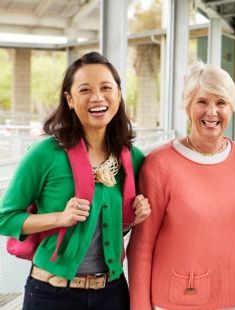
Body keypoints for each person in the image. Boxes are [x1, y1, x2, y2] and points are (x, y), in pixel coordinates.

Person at [0, 51, 150, 310]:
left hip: (111, 294)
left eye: (106, 88)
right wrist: (60, 217)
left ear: (118, 94)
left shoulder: (131, 158)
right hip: (51, 294)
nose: (97, 97)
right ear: (69, 99)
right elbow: (5, 218)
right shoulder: (45, 154)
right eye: (85, 90)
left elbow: (112, 228)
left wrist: (133, 218)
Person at [127, 62, 235, 310]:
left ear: (232, 108)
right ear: (188, 107)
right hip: (176, 302)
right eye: (202, 102)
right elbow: (142, 245)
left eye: (221, 103)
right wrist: (139, 307)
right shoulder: (160, 165)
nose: (212, 112)